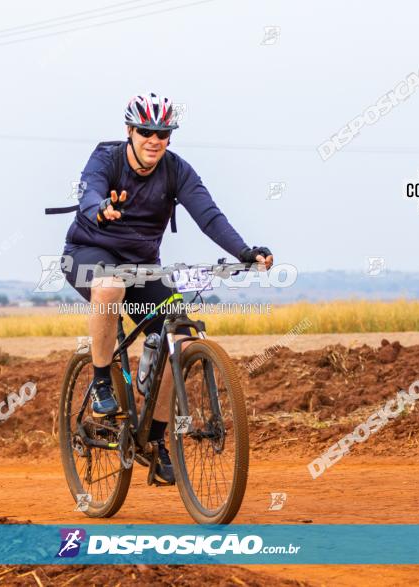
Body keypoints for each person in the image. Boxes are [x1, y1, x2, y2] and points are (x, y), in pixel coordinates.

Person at [59, 92, 273, 484]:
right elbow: (88, 192)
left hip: (142, 266)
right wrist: (101, 208)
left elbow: (208, 215)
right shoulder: (106, 159)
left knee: (182, 338)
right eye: (146, 131)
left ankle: (154, 440)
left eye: (163, 133)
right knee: (108, 289)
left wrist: (244, 251)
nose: (154, 140)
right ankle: (104, 382)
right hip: (89, 253)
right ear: (130, 131)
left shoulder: (176, 171)